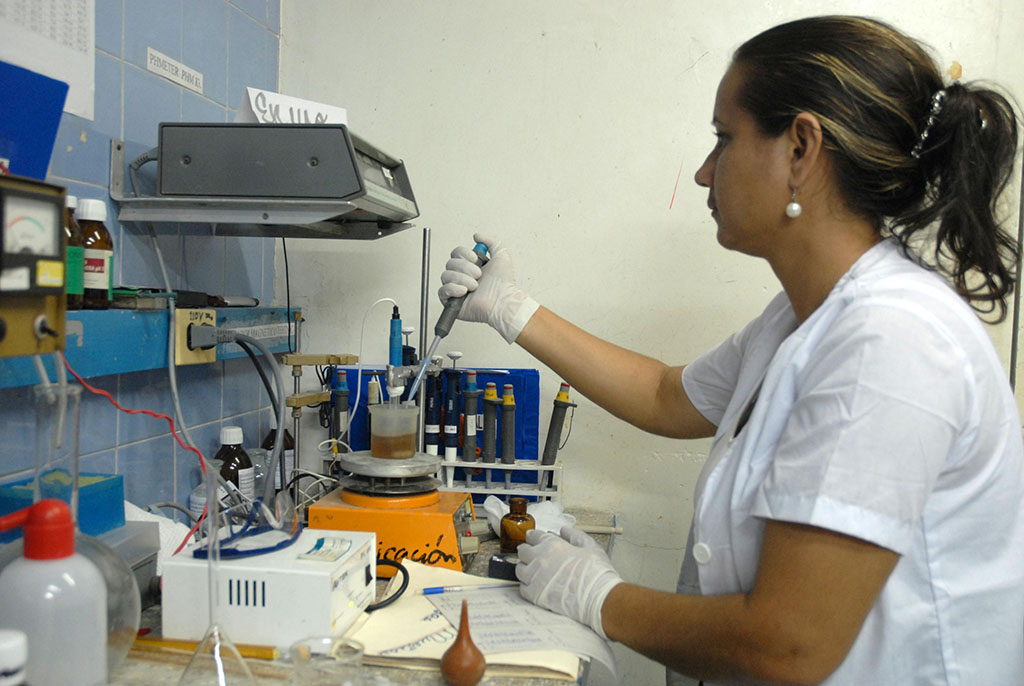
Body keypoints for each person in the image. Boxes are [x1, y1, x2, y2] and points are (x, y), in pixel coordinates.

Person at [438, 15, 1024, 686]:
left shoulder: (889, 342)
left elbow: (790, 646)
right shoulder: (802, 317)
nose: (702, 172)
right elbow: (666, 396)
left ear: (801, 148)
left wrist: (598, 597)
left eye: (724, 138)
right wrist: (511, 309)